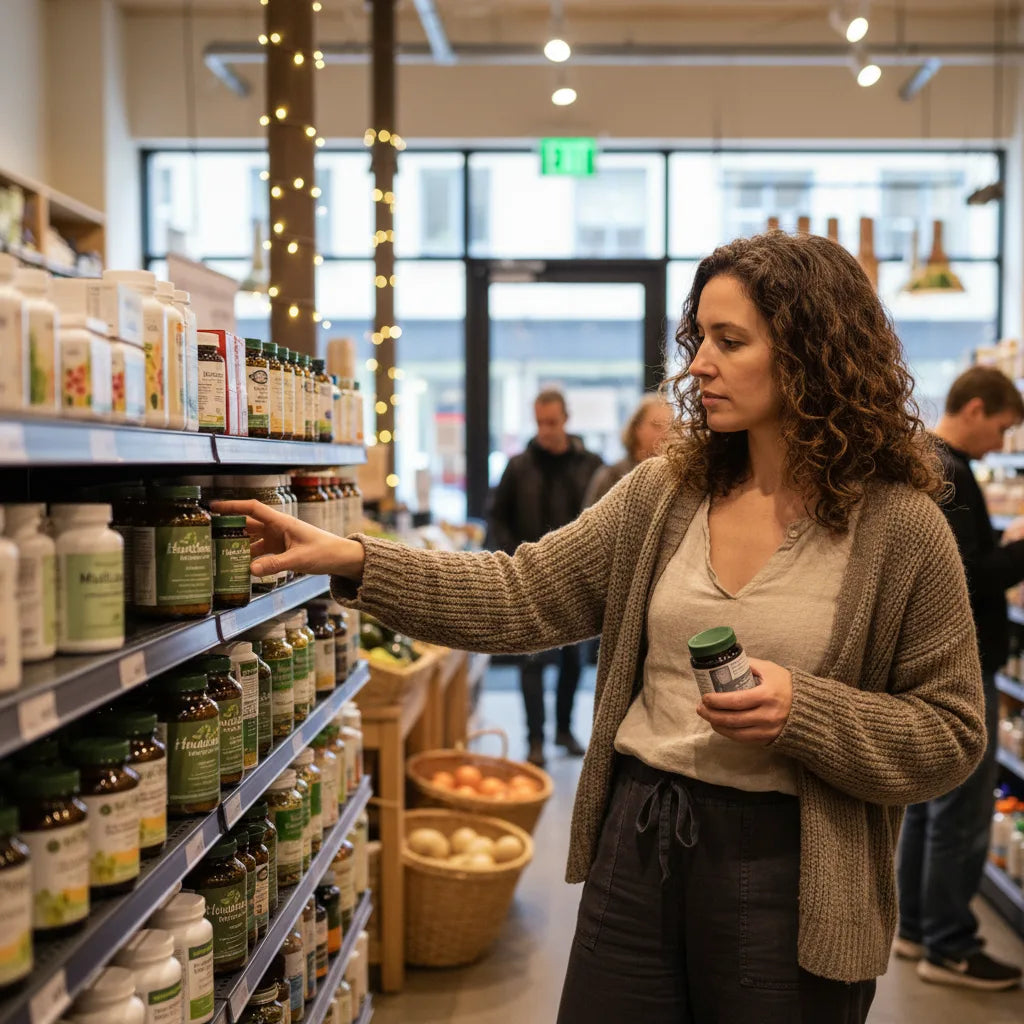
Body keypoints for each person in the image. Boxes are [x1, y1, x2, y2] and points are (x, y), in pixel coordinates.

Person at [213, 231, 985, 1023]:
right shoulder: (664, 494)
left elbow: (952, 732)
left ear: (813, 351)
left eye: (730, 342)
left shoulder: (900, 528)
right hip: (640, 844)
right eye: (698, 340)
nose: (697, 365)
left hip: (791, 871)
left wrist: (807, 713)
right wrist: (352, 558)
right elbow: (522, 592)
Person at [895, 365, 1024, 991]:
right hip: (964, 660)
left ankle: (917, 926)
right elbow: (969, 578)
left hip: (944, 655)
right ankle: (949, 944)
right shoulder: (946, 470)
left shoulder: (933, 462)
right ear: (974, 408)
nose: (1004, 444)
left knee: (931, 804)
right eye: (1002, 429)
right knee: (962, 813)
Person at [487, 389, 603, 766]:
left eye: (552, 422)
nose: (546, 430)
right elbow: (497, 518)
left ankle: (564, 730)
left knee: (573, 663)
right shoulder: (518, 466)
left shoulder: (591, 466)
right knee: (531, 662)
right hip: (530, 580)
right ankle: (535, 740)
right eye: (539, 422)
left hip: (575, 580)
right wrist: (512, 557)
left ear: (566, 419)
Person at [583, 393, 673, 507]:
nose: (665, 434)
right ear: (637, 427)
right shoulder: (611, 476)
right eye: (656, 426)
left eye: (670, 427)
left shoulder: (673, 479)